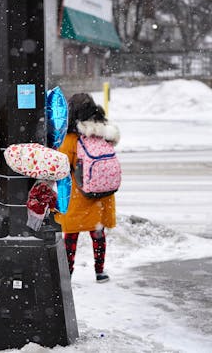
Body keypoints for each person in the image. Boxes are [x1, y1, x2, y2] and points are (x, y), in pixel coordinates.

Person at [55, 93, 120, 283]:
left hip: (79, 192)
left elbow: (63, 164)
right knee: (98, 233)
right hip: (102, 194)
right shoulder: (103, 134)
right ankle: (100, 272)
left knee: (71, 235)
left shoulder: (71, 139)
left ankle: (68, 272)